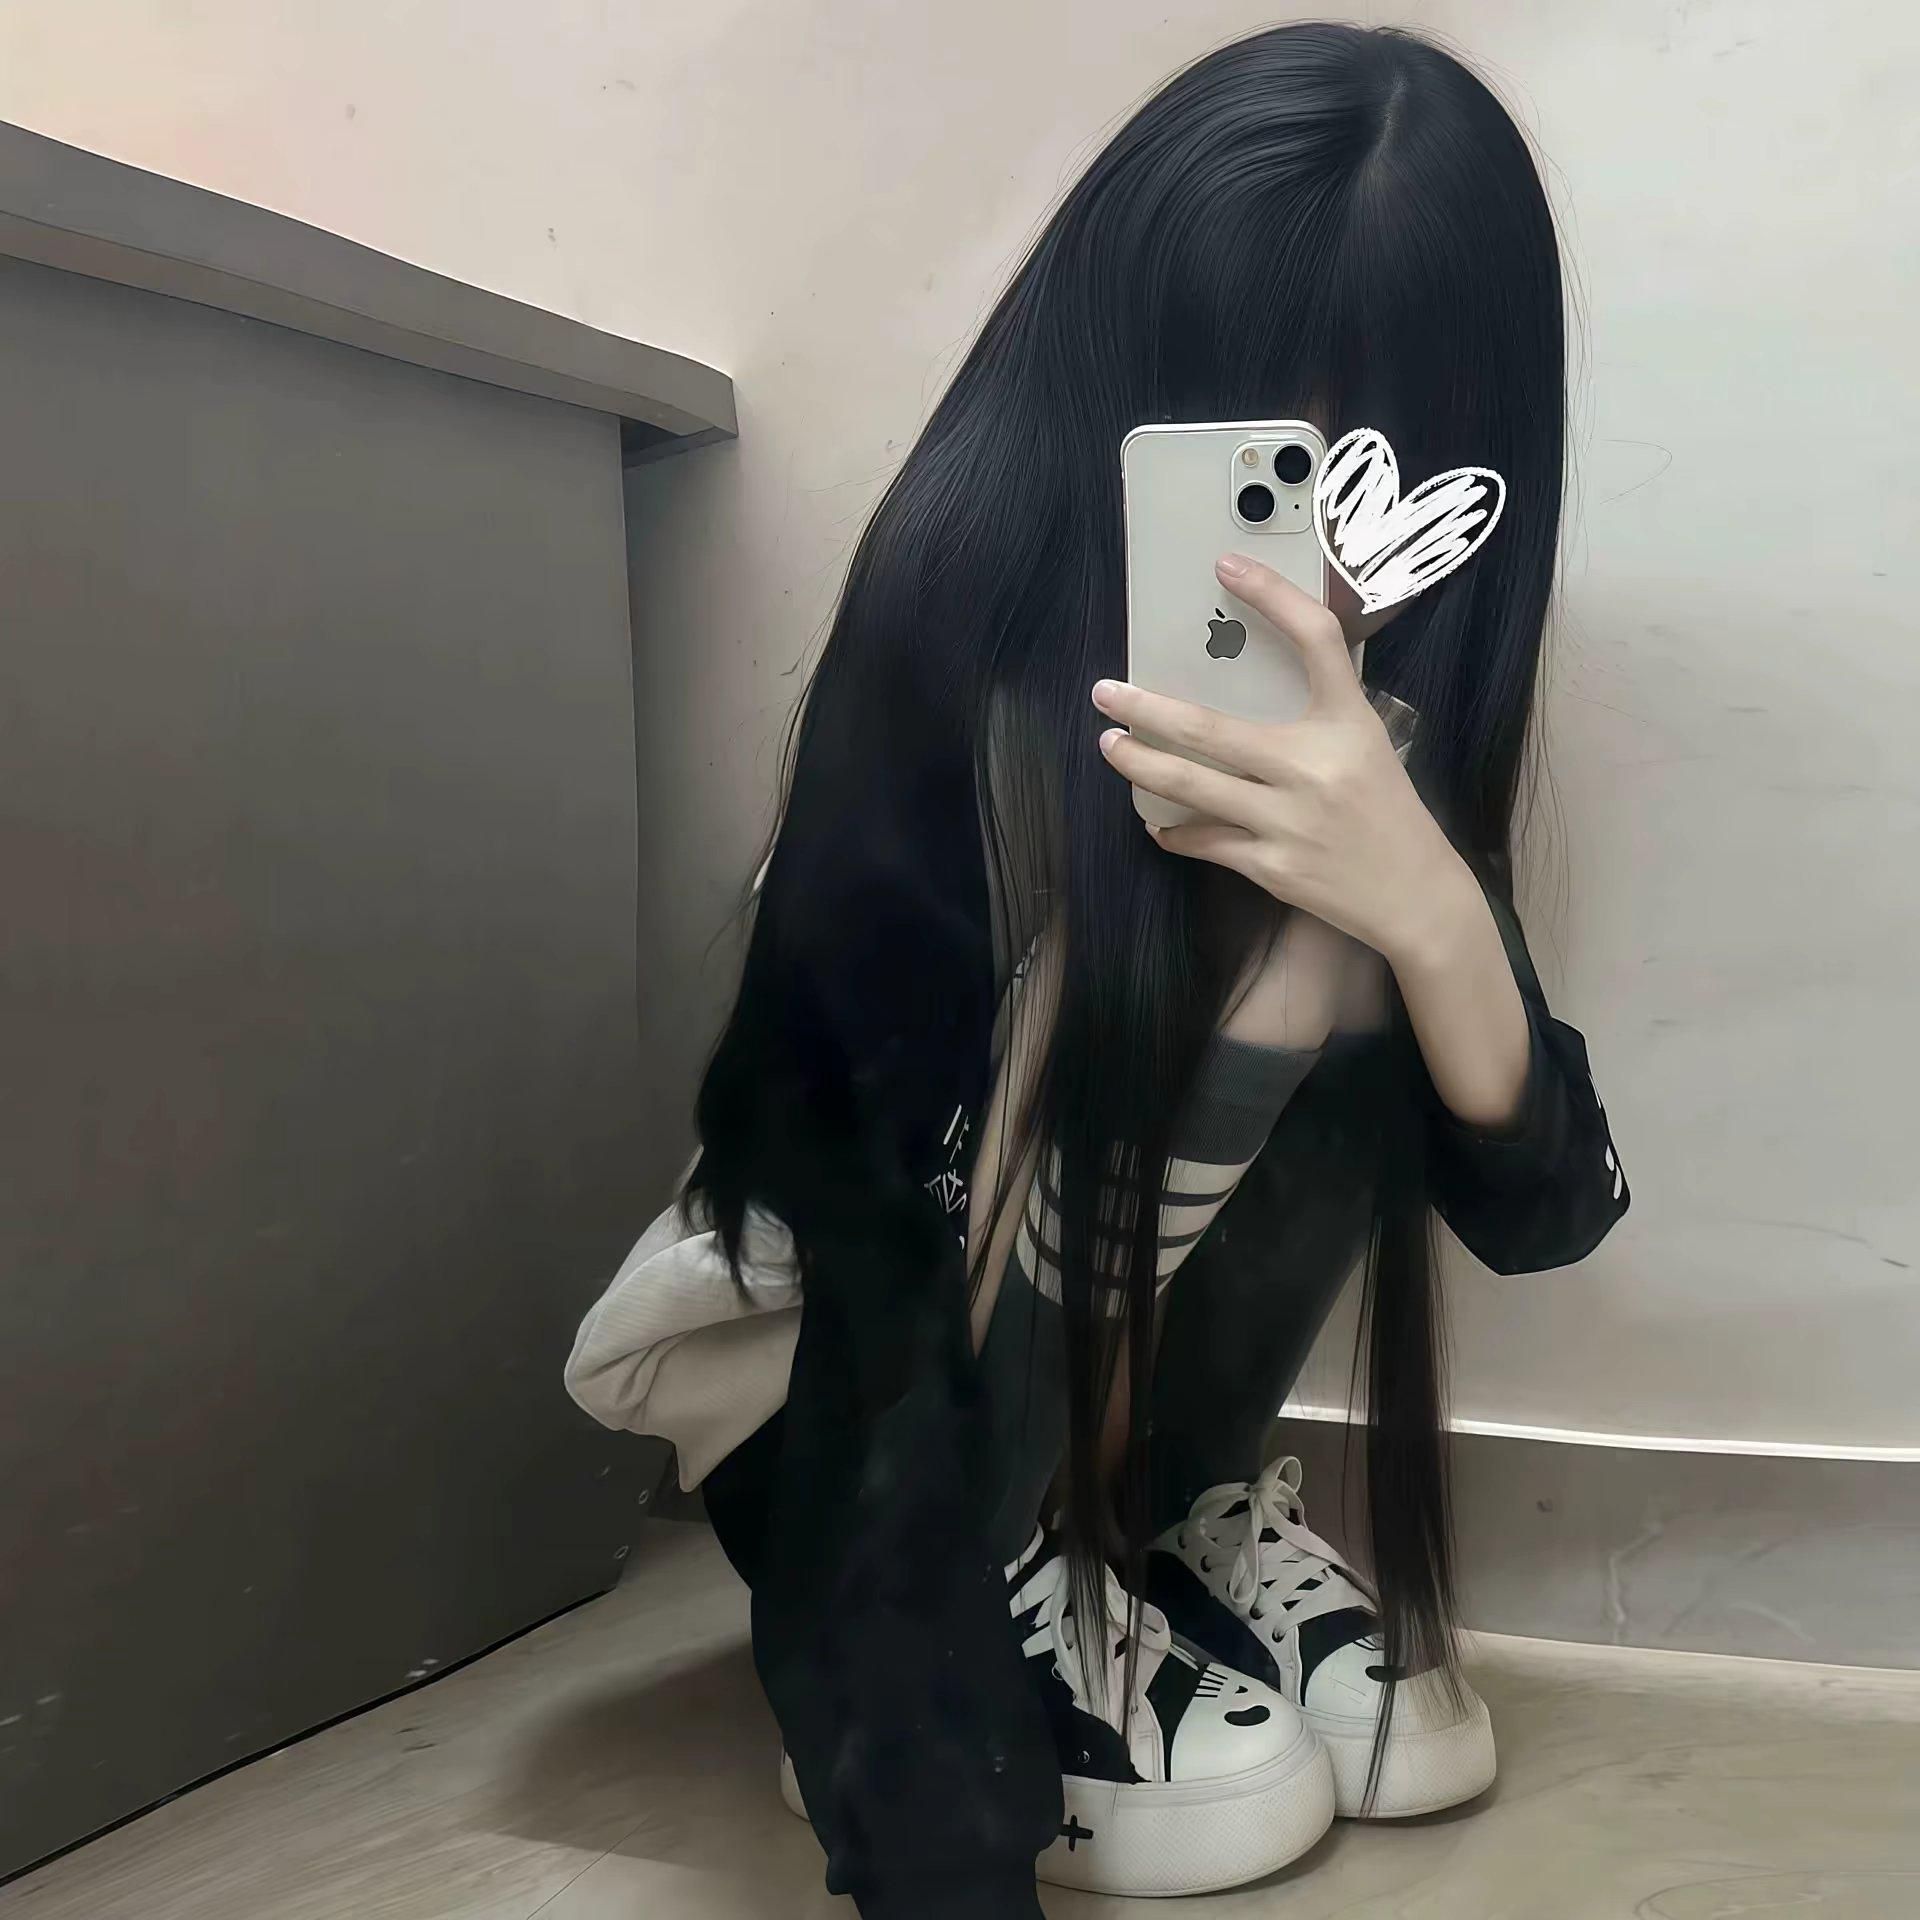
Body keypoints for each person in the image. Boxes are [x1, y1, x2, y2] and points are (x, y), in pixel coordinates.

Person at [566, 20, 1630, 1914]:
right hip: (871, 1398)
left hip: (1122, 1390)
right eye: (1257, 459)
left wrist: (1427, 902)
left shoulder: (1370, 712)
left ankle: (1166, 1518)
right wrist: (911, 1732)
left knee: (1338, 928)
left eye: (1373, 469)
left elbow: (1546, 1208)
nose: (1312, 530)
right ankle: (1020, 1563)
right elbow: (845, 1194)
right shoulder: (955, 631)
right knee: (1266, 935)